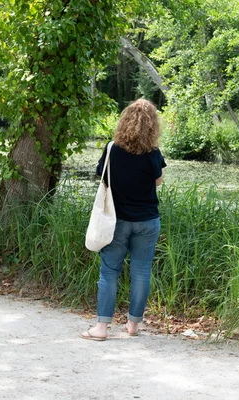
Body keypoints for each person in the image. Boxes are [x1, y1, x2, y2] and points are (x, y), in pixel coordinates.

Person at [81, 99, 166, 341]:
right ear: (152, 126)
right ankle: (132, 325)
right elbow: (158, 182)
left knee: (109, 271)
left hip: (115, 221)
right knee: (141, 272)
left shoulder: (112, 150)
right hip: (148, 221)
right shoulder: (153, 154)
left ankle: (101, 328)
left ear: (125, 120)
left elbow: (104, 179)